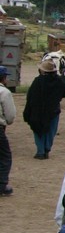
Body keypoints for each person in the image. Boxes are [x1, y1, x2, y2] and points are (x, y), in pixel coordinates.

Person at [23, 60, 65, 160]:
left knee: (38, 129)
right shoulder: (58, 80)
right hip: (53, 110)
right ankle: (47, 149)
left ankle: (40, 151)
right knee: (51, 130)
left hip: (38, 110)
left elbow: (30, 95)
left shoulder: (38, 81)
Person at [0, 66, 16, 196]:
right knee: (5, 157)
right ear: (4, 78)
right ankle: (1, 185)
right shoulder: (4, 92)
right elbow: (10, 115)